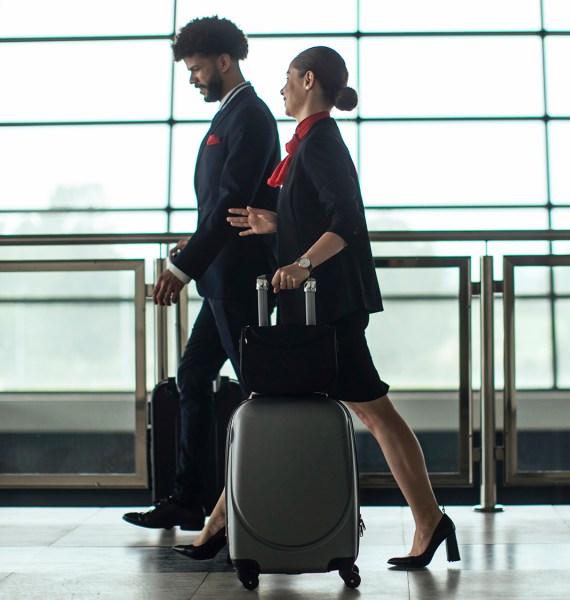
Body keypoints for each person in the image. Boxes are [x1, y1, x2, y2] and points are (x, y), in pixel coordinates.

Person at [175, 46, 460, 568]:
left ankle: (428, 519)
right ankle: (219, 524)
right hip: (319, 307)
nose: (281, 89)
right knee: (301, 404)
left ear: (309, 81)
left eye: (287, 79)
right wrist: (276, 224)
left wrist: (302, 262)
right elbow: (321, 215)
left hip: (327, 307)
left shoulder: (321, 141)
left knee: (360, 411)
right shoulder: (308, 144)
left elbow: (347, 220)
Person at [122, 16, 280, 531]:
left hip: (238, 280)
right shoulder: (231, 116)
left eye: (196, 69)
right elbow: (221, 207)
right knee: (192, 376)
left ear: (223, 61)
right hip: (220, 278)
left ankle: (268, 499)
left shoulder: (250, 117)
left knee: (261, 389)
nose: (192, 79)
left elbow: (234, 202)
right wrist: (195, 245)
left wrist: (181, 266)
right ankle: (191, 498)